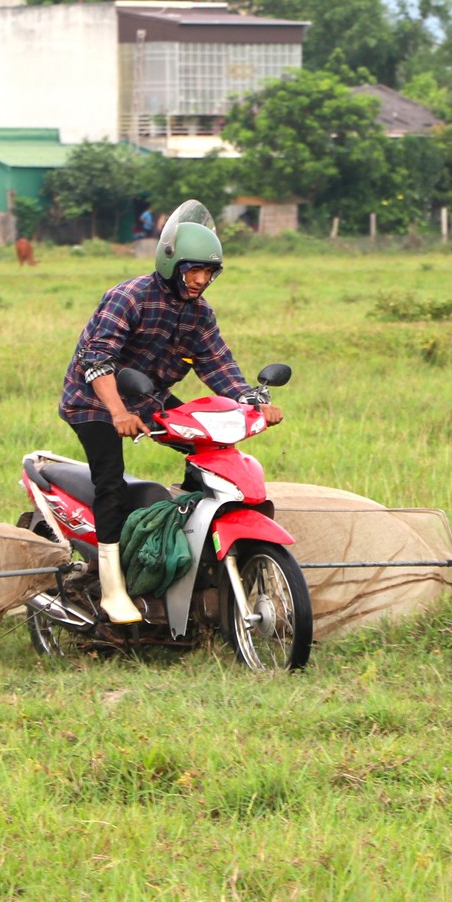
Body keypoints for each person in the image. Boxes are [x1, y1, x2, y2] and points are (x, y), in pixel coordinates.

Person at [58, 207, 282, 624]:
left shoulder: (200, 313)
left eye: (209, 273)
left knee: (215, 447)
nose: (201, 280)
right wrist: (119, 412)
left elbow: (217, 365)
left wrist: (253, 402)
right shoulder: (128, 297)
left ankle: (194, 544)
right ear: (170, 263)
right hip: (94, 401)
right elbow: (97, 362)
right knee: (110, 482)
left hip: (148, 398)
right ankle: (112, 589)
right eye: (193, 271)